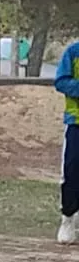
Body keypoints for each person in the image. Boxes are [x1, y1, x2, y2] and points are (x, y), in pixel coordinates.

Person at [55, 38, 79, 243]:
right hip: (76, 123)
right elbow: (61, 81)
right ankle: (68, 217)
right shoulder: (73, 52)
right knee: (71, 171)